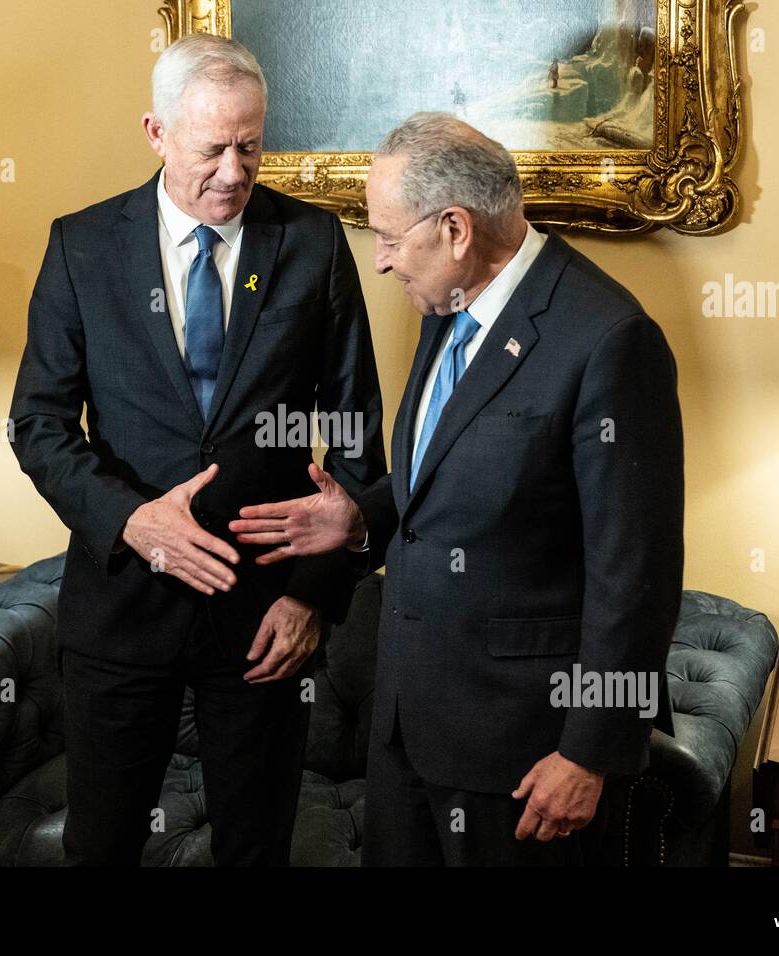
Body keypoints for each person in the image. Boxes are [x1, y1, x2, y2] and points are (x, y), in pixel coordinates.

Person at [230, 112, 683, 866]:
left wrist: (590, 755)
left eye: (388, 237)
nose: (378, 261)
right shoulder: (446, 305)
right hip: (407, 726)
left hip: (527, 756)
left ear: (454, 228)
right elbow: (439, 486)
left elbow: (636, 576)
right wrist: (357, 520)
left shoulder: (609, 341)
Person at [8, 33, 385, 865]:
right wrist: (134, 520)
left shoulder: (314, 244)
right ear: (156, 133)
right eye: (212, 147)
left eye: (250, 146)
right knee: (100, 847)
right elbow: (36, 423)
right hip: (120, 615)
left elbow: (357, 437)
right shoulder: (83, 247)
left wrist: (315, 596)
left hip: (264, 617)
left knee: (255, 851)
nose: (233, 171)